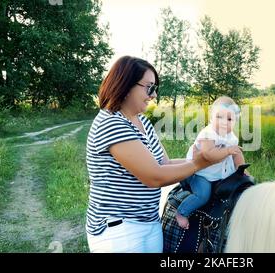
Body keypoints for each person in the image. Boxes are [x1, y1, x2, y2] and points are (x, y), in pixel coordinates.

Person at [85, 56, 225, 253]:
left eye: (155, 89)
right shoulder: (111, 122)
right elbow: (154, 176)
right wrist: (200, 163)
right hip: (119, 229)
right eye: (149, 87)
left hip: (149, 222)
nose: (154, 95)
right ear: (125, 85)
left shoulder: (140, 120)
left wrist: (208, 160)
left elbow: (164, 163)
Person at [175, 96, 248, 229]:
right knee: (203, 195)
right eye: (219, 117)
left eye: (230, 119)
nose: (224, 122)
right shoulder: (208, 133)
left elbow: (236, 155)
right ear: (211, 118)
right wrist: (227, 151)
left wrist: (242, 171)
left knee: (232, 190)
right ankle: (182, 212)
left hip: (218, 174)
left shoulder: (231, 137)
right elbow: (208, 154)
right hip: (201, 173)